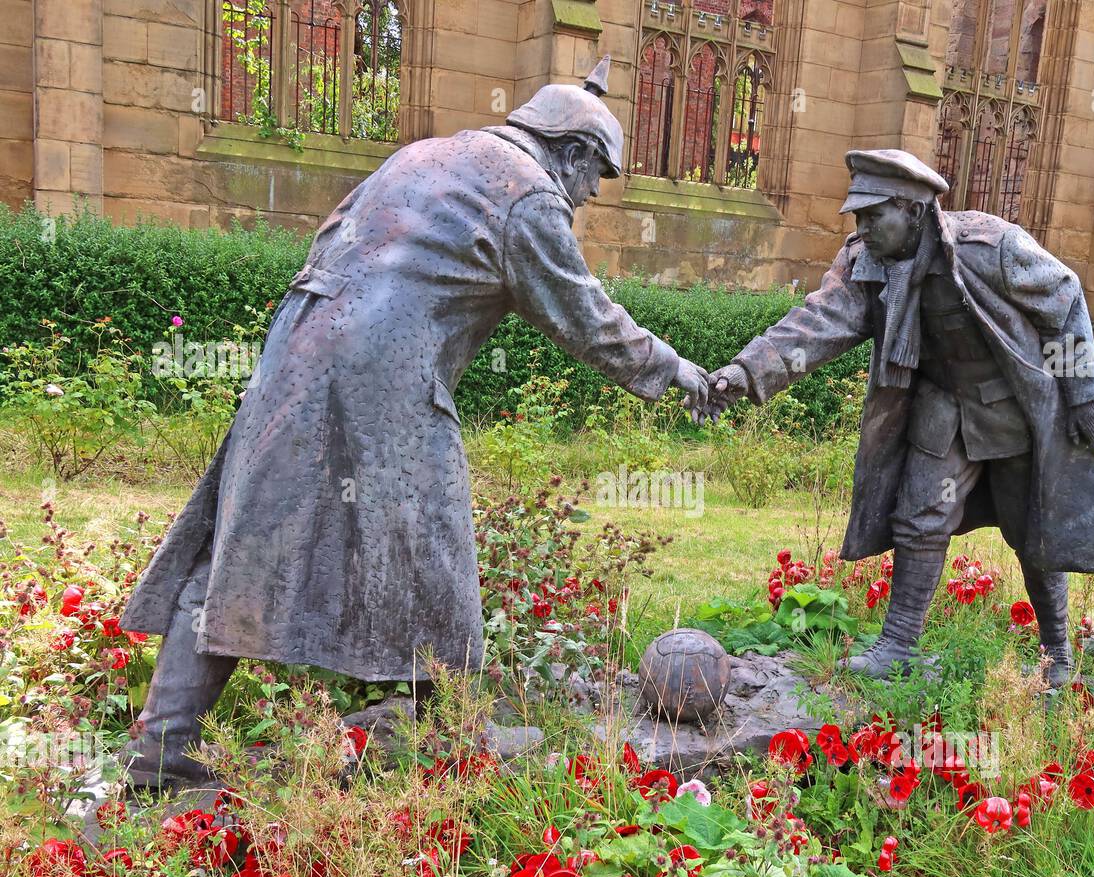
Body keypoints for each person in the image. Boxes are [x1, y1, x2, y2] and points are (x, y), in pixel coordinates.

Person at [118, 58, 710, 789]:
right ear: (575, 151)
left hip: (296, 341)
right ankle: (444, 730)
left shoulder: (429, 153)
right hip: (383, 367)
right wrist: (678, 371)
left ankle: (163, 756)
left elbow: (332, 241)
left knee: (245, 536)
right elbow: (586, 318)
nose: (590, 194)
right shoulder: (529, 193)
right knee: (431, 542)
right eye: (598, 176)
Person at [707, 148, 1094, 687]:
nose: (861, 228)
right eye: (858, 216)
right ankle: (898, 647)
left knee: (1032, 530)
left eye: (873, 215)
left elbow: (1064, 297)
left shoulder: (990, 247)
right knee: (919, 517)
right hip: (941, 405)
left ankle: (1058, 654)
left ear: (914, 209)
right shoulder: (864, 260)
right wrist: (746, 372)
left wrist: (1088, 395)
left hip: (1012, 408)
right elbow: (817, 324)